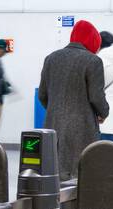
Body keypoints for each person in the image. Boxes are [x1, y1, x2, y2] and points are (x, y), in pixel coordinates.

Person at [39, 19, 109, 180]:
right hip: (82, 128)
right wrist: (103, 113)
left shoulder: (51, 58)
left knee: (54, 174)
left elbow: (42, 95)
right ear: (92, 41)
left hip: (53, 126)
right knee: (81, 176)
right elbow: (96, 97)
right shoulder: (93, 61)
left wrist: (55, 110)